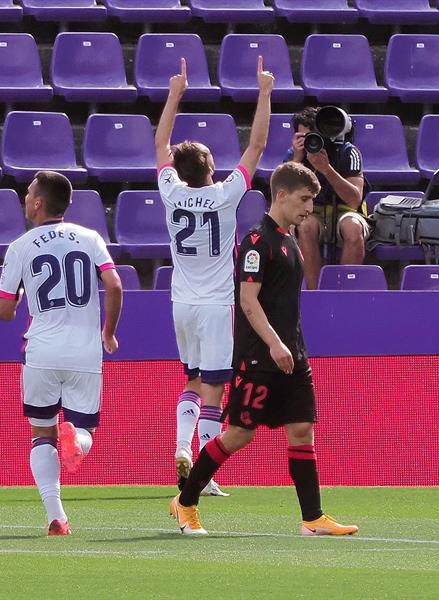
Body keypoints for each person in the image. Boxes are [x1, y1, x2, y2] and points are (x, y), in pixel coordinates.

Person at [169, 161, 359, 537]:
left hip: (292, 355)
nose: (309, 207)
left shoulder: (289, 240)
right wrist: (273, 344)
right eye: (304, 199)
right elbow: (248, 300)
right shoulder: (258, 242)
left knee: (302, 430)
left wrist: (290, 347)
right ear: (282, 195)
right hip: (260, 356)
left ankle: (312, 519)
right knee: (239, 434)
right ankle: (185, 502)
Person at [155, 56, 273, 496]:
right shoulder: (225, 195)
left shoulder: (170, 193)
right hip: (217, 304)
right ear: (211, 168)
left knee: (191, 379)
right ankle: (204, 475)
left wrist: (174, 94)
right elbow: (257, 146)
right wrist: (264, 92)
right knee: (214, 389)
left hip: (181, 303)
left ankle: (181, 447)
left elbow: (160, 144)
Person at [0, 170, 123, 536]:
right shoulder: (90, 238)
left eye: (28, 193)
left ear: (38, 203)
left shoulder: (20, 246)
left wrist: (21, 294)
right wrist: (108, 332)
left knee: (41, 433)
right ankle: (76, 440)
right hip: (85, 351)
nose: (25, 198)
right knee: (85, 429)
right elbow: (114, 285)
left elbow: (4, 311)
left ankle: (56, 517)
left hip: (41, 350)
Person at [288, 107, 368, 290]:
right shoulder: (294, 154)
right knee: (305, 227)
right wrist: (297, 160)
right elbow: (285, 195)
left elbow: (354, 199)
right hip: (311, 212)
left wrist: (327, 169)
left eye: (313, 136)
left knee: (352, 228)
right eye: (304, 137)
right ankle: (315, 294)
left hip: (345, 211)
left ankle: (345, 294)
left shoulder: (348, 152)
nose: (310, 141)